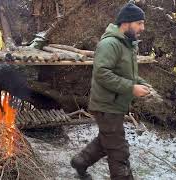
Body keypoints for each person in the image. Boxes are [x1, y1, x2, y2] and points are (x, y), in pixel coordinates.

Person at [70, 1, 151, 180]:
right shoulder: (110, 44)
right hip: (106, 106)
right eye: (139, 23)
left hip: (115, 105)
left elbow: (127, 74)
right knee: (118, 150)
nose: (142, 28)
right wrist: (131, 88)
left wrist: (142, 84)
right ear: (126, 23)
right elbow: (102, 74)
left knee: (106, 141)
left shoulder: (127, 45)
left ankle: (80, 161)